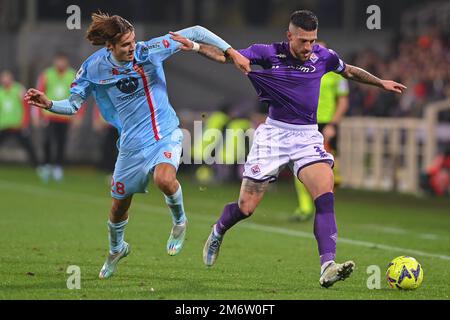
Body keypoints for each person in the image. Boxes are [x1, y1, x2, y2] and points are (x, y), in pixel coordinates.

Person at [173, 10, 406, 288]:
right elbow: (228, 56)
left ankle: (327, 264)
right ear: (289, 36)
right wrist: (197, 47)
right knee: (246, 208)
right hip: (273, 136)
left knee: (325, 194)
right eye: (303, 41)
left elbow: (350, 71)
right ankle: (218, 230)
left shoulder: (324, 56)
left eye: (313, 41)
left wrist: (380, 83)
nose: (309, 47)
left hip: (307, 137)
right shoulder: (268, 53)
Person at [25, 12, 249, 279]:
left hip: (165, 133)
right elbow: (73, 105)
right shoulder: (93, 68)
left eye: (133, 41)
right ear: (110, 47)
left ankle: (179, 221)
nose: (133, 47)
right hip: (132, 145)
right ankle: (117, 249)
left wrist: (231, 51)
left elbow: (197, 31)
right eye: (125, 44)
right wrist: (49, 104)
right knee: (119, 206)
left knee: (164, 180)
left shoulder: (150, 50)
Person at [291, 41, 349, 222]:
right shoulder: (301, 70)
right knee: (298, 162)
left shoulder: (335, 73)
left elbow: (343, 102)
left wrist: (333, 124)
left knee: (328, 169)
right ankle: (305, 207)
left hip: (326, 124)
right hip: (305, 123)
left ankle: (323, 206)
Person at [34, 53, 77, 182]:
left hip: (65, 115)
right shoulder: (47, 74)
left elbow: (79, 96)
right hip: (49, 114)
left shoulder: (73, 75)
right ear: (55, 61)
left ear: (67, 61)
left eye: (63, 61)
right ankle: (46, 165)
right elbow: (38, 93)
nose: (60, 63)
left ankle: (58, 167)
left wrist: (78, 115)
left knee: (61, 142)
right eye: (58, 60)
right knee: (47, 140)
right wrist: (37, 114)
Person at [0, 70, 39, 168]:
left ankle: (37, 166)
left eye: (7, 77)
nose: (5, 80)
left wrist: (24, 122)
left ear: (11, 78)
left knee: (28, 146)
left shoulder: (19, 89)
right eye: (3, 77)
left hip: (18, 125)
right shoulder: (0, 92)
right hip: (4, 124)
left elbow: (26, 106)